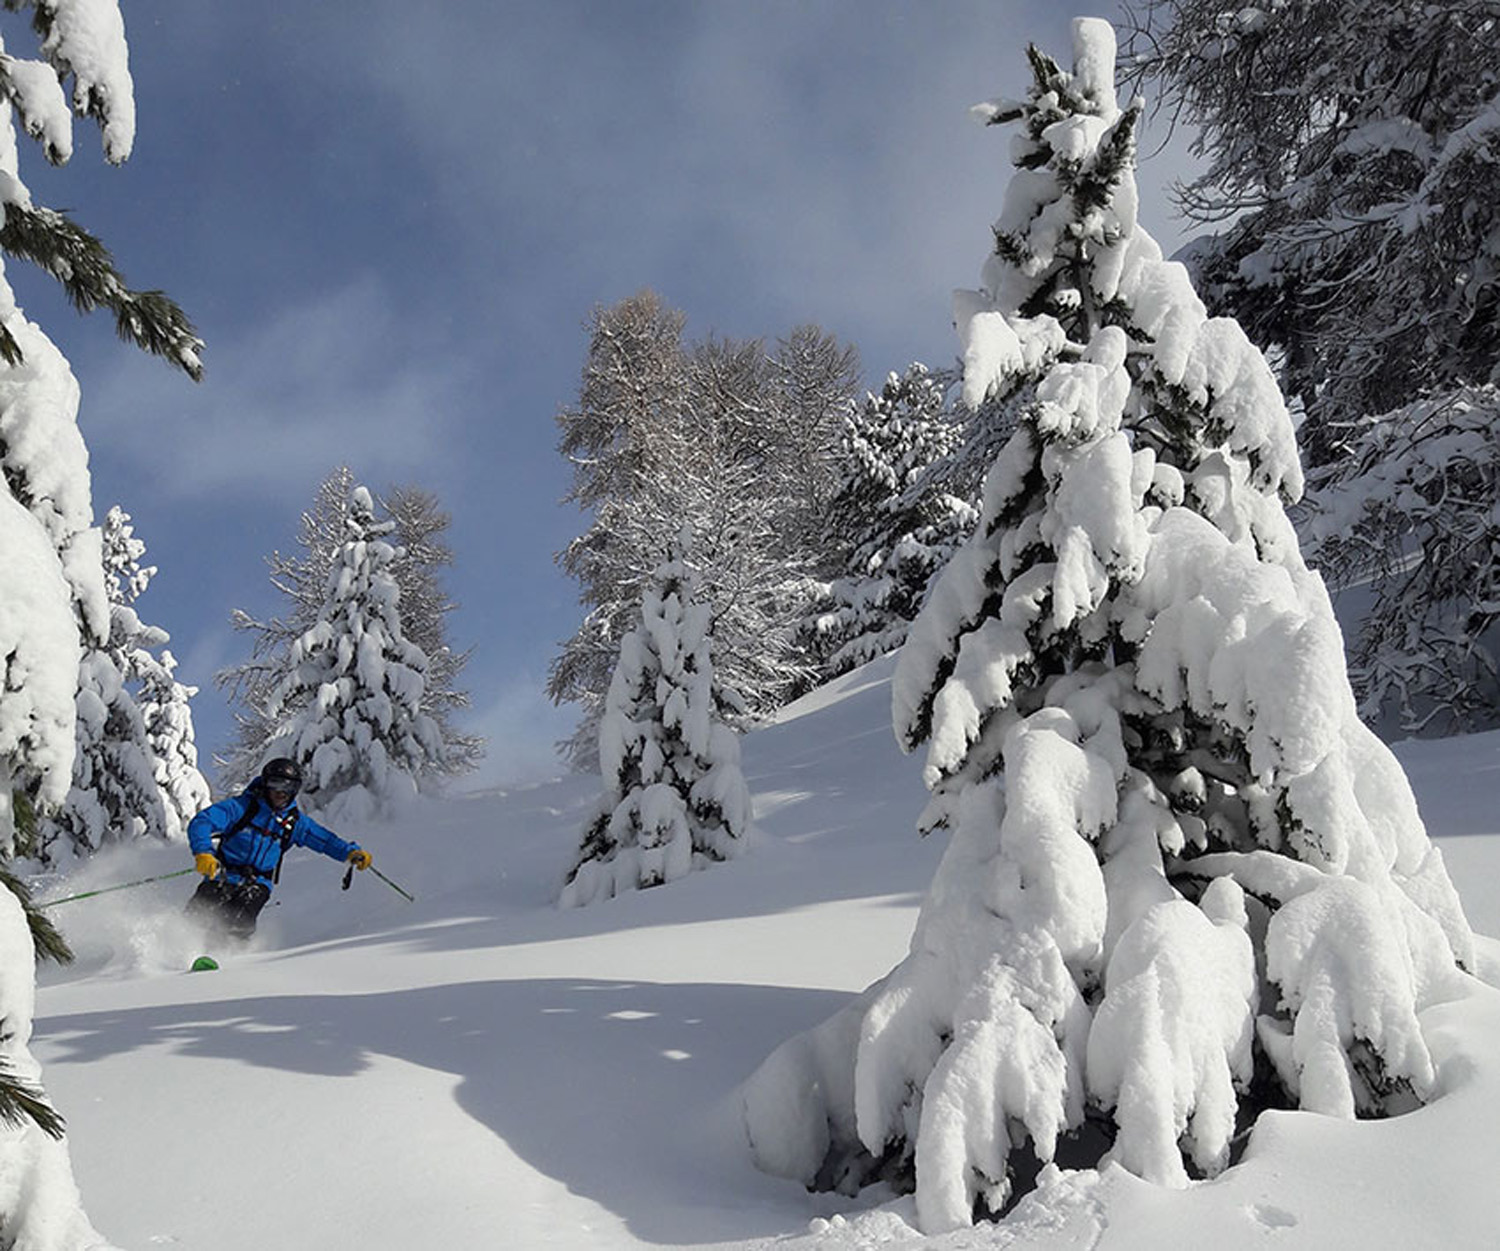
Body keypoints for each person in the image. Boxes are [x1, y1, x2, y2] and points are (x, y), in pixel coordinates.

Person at [186, 756, 372, 940]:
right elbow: (202, 822)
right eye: (276, 784)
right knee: (199, 915)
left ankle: (224, 958)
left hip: (257, 882)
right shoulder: (241, 808)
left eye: (288, 787)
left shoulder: (294, 823)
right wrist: (204, 853)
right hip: (223, 874)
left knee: (238, 922)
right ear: (266, 784)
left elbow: (325, 840)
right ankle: (178, 949)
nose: (281, 792)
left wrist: (350, 852)